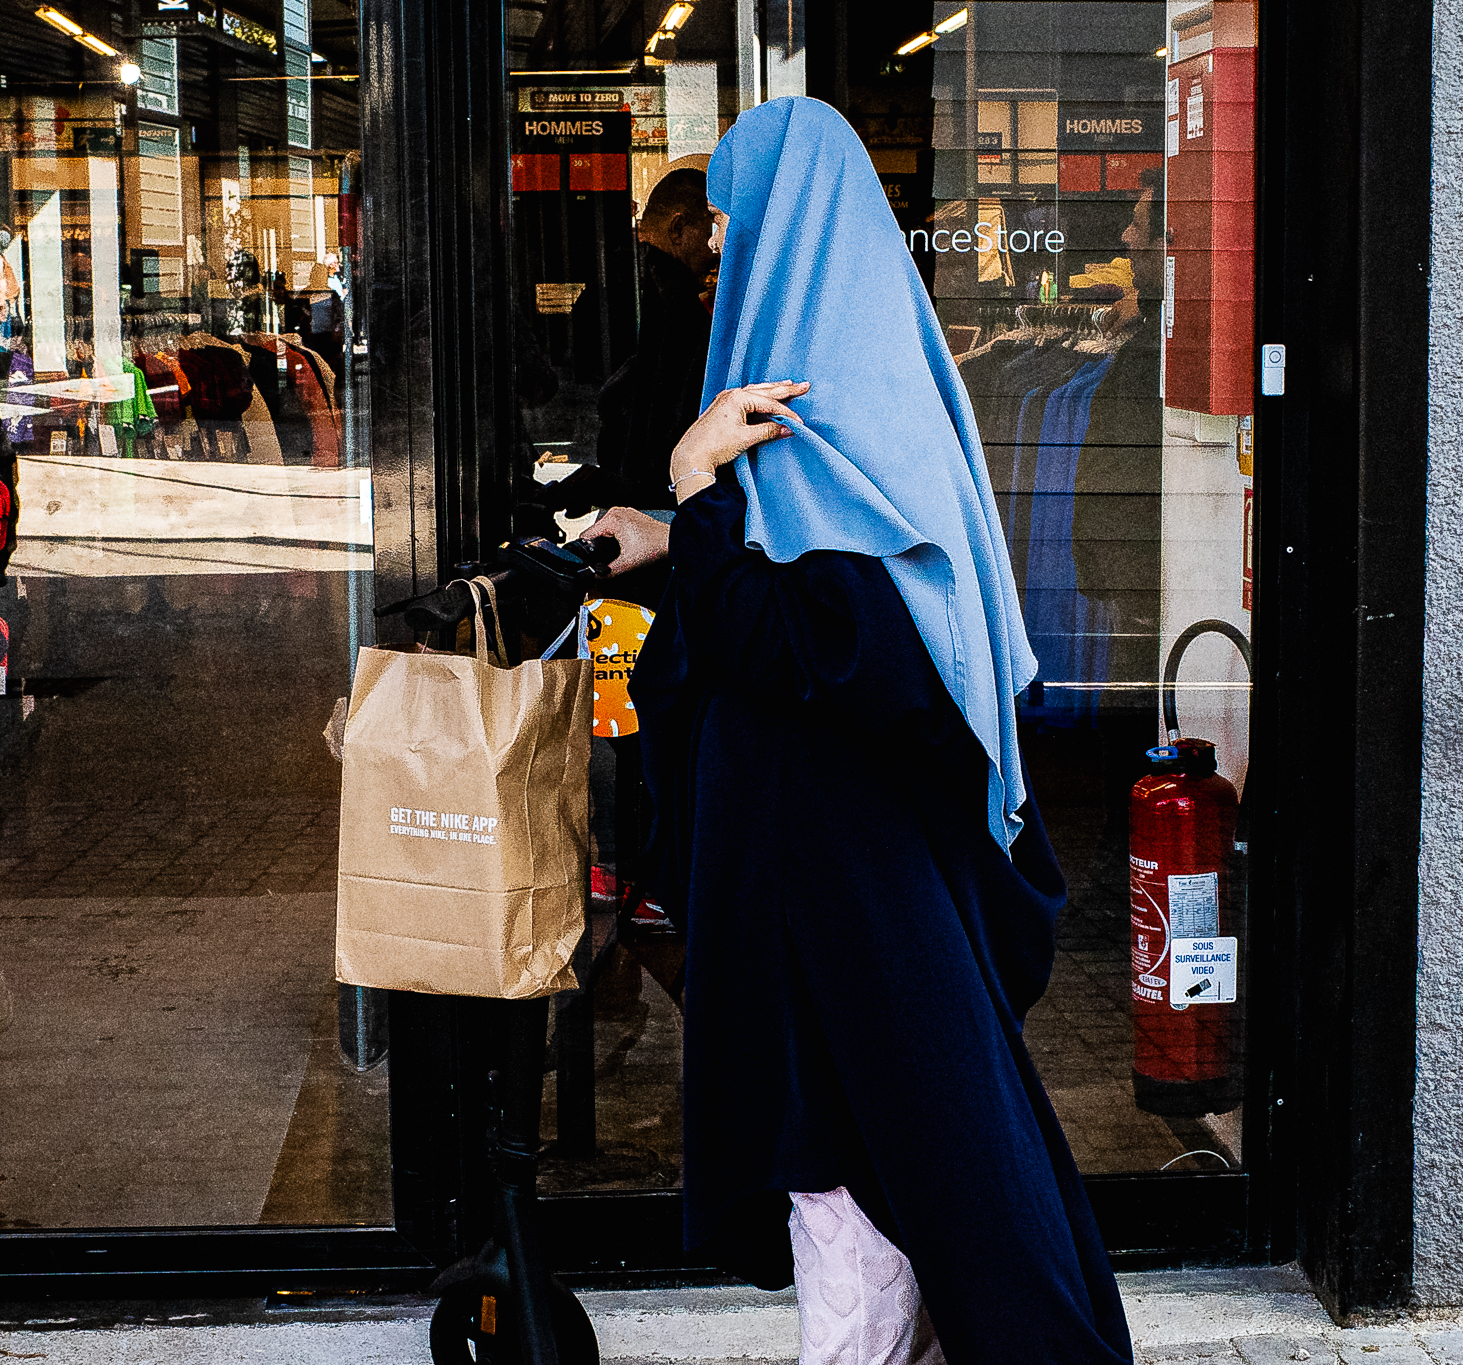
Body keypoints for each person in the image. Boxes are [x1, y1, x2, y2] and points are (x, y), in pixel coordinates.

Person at [582, 97, 1132, 1365]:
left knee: (853, 1176)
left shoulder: (813, 394)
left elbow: (825, 639)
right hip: (838, 864)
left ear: (793, 227)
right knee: (908, 1168)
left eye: (732, 223)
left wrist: (690, 485)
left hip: (828, 874)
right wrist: (680, 536)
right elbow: (815, 591)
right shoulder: (850, 371)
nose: (715, 254)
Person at [586, 168, 717, 511]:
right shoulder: (672, 301)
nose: (717, 248)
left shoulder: (616, 280)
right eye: (711, 226)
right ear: (678, 228)